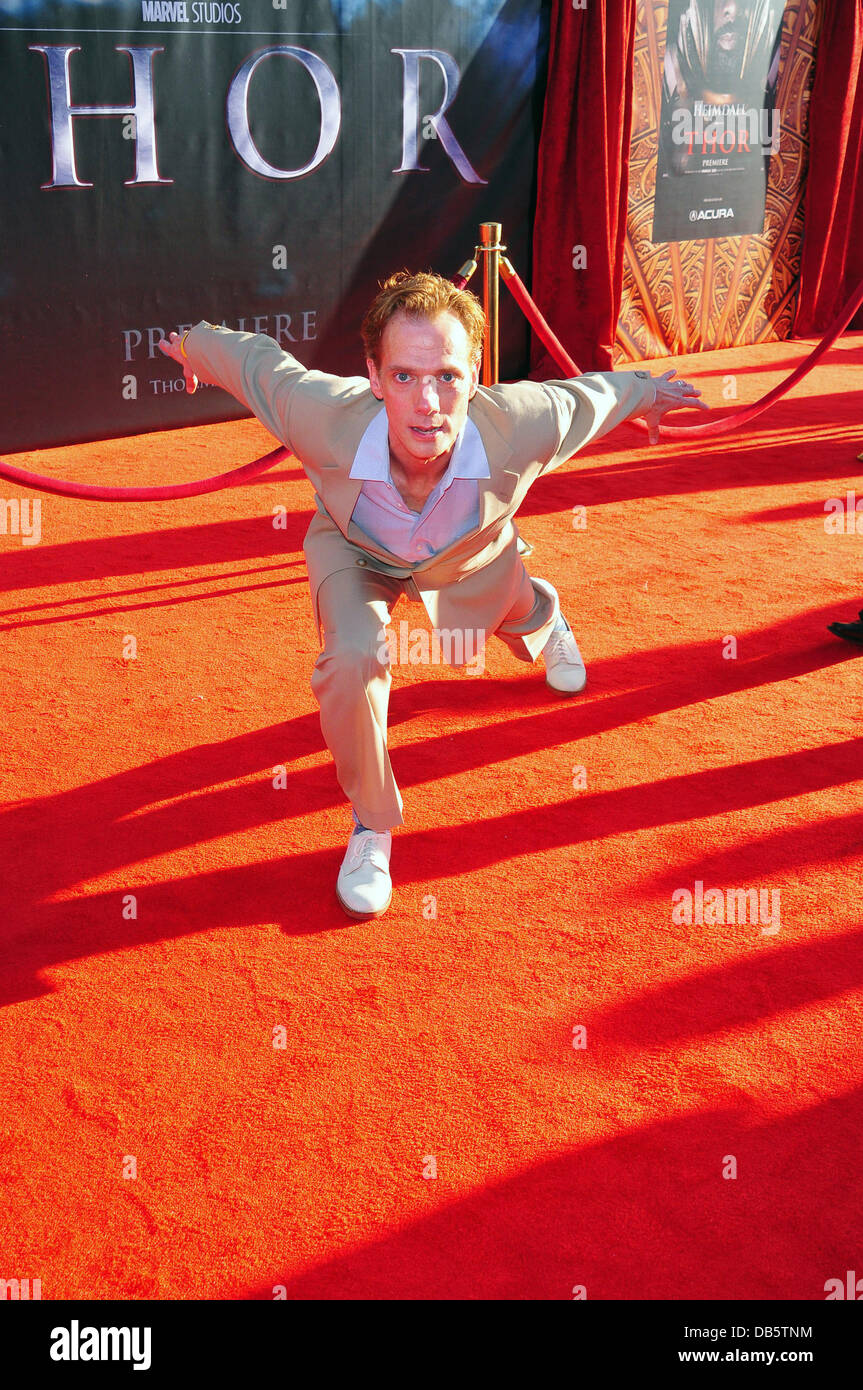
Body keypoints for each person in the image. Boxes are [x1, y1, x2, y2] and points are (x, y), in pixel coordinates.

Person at [159, 271, 705, 919]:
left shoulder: (521, 425)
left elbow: (588, 398)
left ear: (475, 374)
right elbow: (253, 363)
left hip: (467, 557)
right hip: (355, 549)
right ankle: (371, 825)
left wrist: (646, 392)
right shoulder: (322, 415)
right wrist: (192, 346)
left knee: (515, 609)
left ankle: (543, 614)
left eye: (446, 376)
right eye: (404, 377)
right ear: (372, 375)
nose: (427, 403)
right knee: (352, 659)